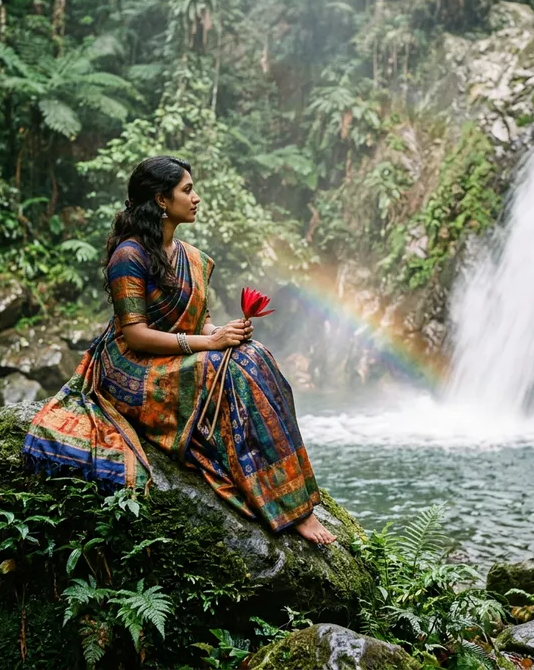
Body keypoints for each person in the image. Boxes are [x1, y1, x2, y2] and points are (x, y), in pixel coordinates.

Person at [23, 155, 336, 545]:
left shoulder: (191, 258)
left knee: (256, 358)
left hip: (177, 353)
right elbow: (134, 335)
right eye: (187, 190)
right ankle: (284, 505)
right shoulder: (129, 256)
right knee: (225, 372)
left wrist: (224, 332)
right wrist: (209, 344)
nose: (196, 197)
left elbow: (199, 322)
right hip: (130, 367)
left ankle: (290, 491)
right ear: (160, 200)